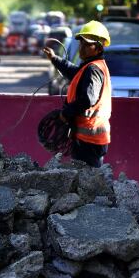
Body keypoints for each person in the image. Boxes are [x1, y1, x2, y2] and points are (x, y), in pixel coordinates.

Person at [42, 20, 112, 167]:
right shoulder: (89, 67)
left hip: (89, 140)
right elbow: (74, 72)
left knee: (89, 181)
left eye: (87, 45)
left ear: (98, 48)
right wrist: (55, 59)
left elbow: (88, 100)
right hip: (89, 139)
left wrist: (66, 113)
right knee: (88, 179)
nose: (82, 48)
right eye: (81, 44)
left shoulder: (93, 69)